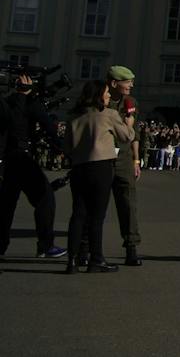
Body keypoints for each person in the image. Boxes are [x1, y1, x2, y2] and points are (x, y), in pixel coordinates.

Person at [64, 79, 136, 273]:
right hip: (101, 167)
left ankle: (72, 259)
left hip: (79, 167)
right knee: (97, 216)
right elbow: (127, 137)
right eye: (105, 94)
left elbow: (67, 147)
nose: (108, 97)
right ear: (98, 96)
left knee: (78, 213)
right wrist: (130, 122)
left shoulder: (74, 116)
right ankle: (96, 259)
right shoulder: (108, 114)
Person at [0, 70, 65, 260]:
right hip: (21, 157)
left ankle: (1, 246)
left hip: (8, 158)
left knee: (6, 206)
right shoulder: (27, 103)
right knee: (45, 198)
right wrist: (61, 146)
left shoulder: (8, 101)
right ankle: (45, 245)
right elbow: (47, 124)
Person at [105, 66, 144, 266]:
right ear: (114, 83)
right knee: (96, 204)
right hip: (102, 157)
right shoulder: (100, 101)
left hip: (124, 158)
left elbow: (135, 134)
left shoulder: (131, 103)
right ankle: (85, 247)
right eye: (127, 81)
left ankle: (131, 247)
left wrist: (136, 160)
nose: (131, 85)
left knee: (128, 203)